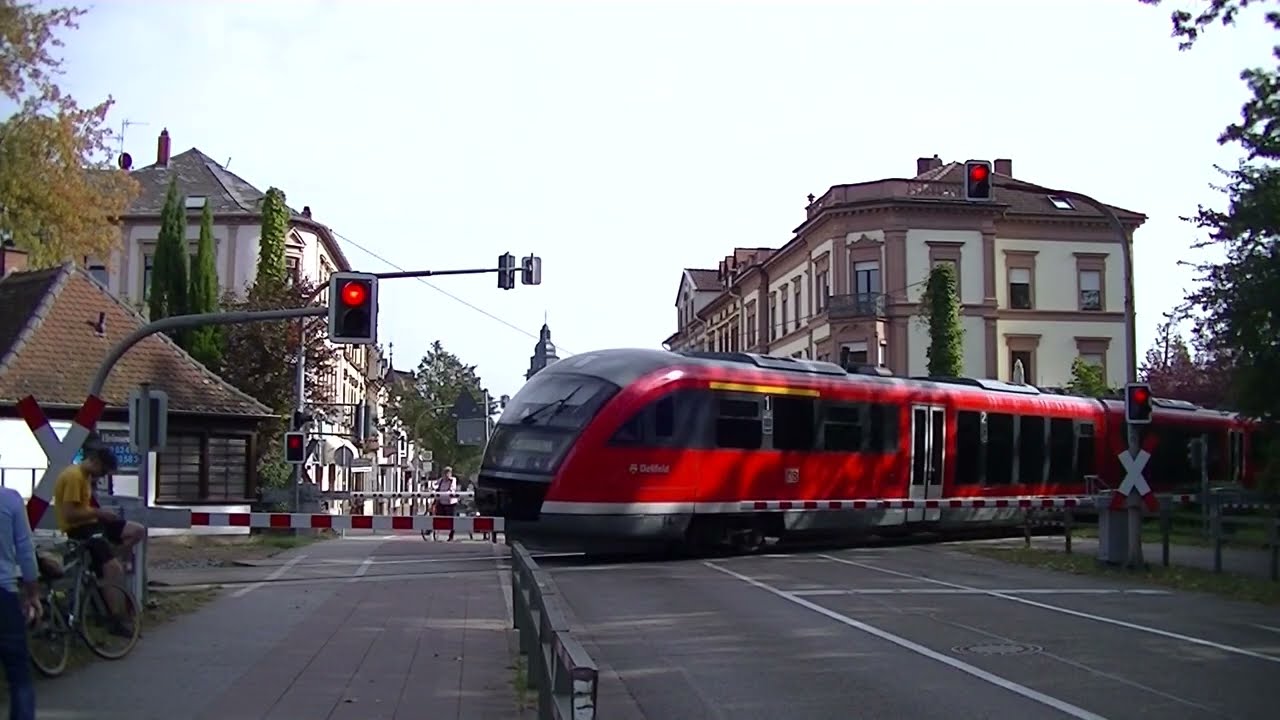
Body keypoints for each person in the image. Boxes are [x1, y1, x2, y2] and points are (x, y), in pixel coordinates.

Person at [53, 445, 144, 634]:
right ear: (95, 461)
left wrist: (100, 515)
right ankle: (114, 619)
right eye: (102, 471)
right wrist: (100, 513)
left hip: (93, 523)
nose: (101, 476)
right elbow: (70, 514)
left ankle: (113, 557)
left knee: (136, 531)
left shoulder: (85, 477)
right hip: (81, 530)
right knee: (113, 570)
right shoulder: (74, 476)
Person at [0, 485, 40, 720]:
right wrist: (32, 593)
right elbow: (25, 550)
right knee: (19, 676)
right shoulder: (10, 500)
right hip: (4, 593)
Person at [432, 467, 459, 542]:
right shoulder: (441, 480)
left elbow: (452, 489)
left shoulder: (453, 480)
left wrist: (445, 493)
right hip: (441, 501)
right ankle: (433, 531)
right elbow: (435, 485)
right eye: (445, 473)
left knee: (451, 520)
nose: (447, 475)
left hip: (450, 503)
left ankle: (451, 536)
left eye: (448, 473)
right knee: (438, 517)